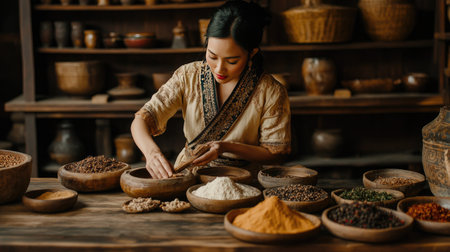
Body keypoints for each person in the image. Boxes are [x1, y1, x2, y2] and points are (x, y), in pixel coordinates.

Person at [131, 0, 291, 179]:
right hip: (188, 176)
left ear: (252, 53)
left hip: (243, 181)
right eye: (212, 56)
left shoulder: (271, 91)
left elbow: (276, 154)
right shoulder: (188, 75)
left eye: (232, 61)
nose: (219, 68)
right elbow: (142, 119)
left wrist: (225, 147)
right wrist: (152, 153)